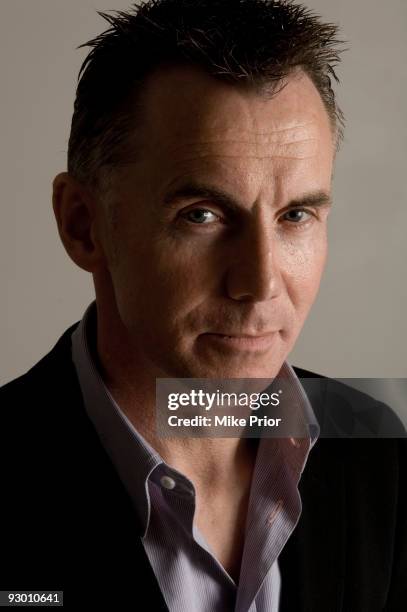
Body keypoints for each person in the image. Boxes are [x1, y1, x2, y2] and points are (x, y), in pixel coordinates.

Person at [1, 0, 405, 610]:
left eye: (296, 214)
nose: (260, 282)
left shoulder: (380, 438)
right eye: (203, 215)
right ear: (84, 225)